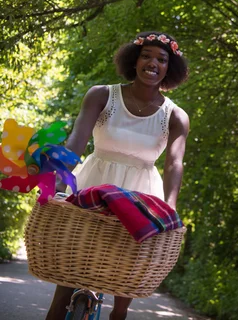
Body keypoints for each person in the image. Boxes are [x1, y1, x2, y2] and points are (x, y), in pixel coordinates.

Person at [46, 31, 190, 320]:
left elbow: (174, 164)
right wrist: (58, 183)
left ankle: (118, 313)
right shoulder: (102, 95)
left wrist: (170, 208)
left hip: (142, 195)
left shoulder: (176, 116)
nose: (152, 63)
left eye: (161, 59)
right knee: (68, 279)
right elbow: (76, 141)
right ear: (133, 61)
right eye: (145, 55)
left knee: (125, 281)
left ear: (168, 68)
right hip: (92, 184)